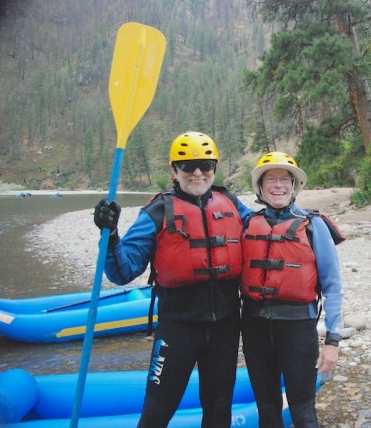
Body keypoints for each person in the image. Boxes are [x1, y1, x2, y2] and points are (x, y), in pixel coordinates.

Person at [93, 131, 252, 428]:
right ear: (174, 171)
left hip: (225, 328)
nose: (197, 172)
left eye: (205, 165)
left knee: (219, 411)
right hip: (177, 329)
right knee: (156, 412)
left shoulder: (230, 203)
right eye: (187, 164)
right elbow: (122, 272)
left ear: (214, 168)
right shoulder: (157, 211)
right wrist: (110, 234)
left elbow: (263, 233)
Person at [240, 151, 344, 427]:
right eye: (270, 179)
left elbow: (333, 286)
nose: (278, 185)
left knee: (303, 411)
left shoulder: (314, 226)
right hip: (254, 328)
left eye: (285, 179)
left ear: (294, 186)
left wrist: (332, 342)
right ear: (260, 187)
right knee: (267, 409)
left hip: (298, 329)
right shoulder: (249, 223)